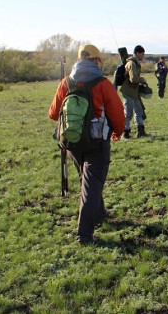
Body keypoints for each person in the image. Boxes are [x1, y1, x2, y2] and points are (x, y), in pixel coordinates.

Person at [48, 44, 125, 245]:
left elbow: (53, 114)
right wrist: (118, 132)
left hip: (72, 142)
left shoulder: (67, 82)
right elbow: (117, 114)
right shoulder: (103, 83)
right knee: (91, 184)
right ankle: (84, 235)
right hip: (96, 142)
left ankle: (99, 214)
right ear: (97, 61)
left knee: (89, 179)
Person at [120, 45, 148, 138]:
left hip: (134, 91)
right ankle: (125, 133)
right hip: (128, 91)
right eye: (142, 54)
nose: (143, 56)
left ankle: (141, 132)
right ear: (137, 53)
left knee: (139, 111)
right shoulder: (132, 63)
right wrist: (142, 79)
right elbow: (133, 79)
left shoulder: (134, 62)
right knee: (128, 113)